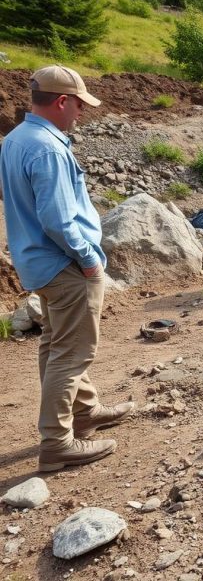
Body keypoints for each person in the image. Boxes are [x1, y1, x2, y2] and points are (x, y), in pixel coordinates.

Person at [0, 65, 134, 472]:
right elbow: (58, 219)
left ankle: (86, 411)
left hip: (37, 260)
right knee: (72, 354)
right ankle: (57, 443)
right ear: (61, 101)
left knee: (56, 344)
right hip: (65, 265)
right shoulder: (49, 148)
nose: (81, 112)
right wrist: (90, 260)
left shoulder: (16, 139)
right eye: (78, 104)